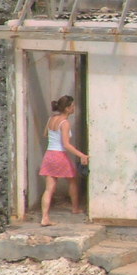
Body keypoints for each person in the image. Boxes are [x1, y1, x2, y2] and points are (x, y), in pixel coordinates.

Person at [39, 94, 89, 226]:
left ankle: (45, 217)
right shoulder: (65, 123)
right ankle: (75, 208)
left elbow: (45, 134)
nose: (74, 108)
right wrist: (81, 155)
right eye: (72, 106)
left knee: (49, 189)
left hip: (49, 155)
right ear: (67, 108)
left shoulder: (51, 119)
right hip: (60, 155)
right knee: (72, 180)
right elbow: (66, 144)